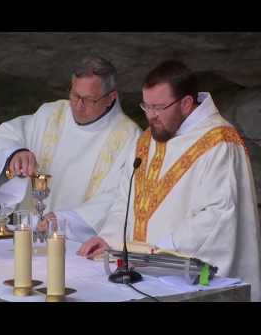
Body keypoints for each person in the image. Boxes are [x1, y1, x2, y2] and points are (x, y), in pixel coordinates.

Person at [78, 60, 261, 301]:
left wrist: (160, 250)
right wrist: (110, 238)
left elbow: (219, 216)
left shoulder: (220, 144)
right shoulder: (147, 140)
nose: (151, 116)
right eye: (146, 106)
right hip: (143, 273)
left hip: (186, 278)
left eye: (158, 107)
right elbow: (127, 199)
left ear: (186, 104)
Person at [0, 56, 141, 242]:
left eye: (89, 100)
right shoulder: (51, 114)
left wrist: (67, 220)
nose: (78, 106)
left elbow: (120, 196)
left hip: (79, 245)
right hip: (29, 236)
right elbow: (8, 134)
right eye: (74, 95)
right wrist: (16, 153)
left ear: (111, 97)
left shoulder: (129, 137)